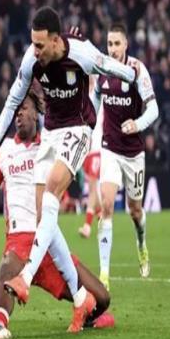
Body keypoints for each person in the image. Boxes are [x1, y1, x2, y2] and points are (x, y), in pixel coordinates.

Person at [0, 6, 138, 332]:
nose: (34, 50)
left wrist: (134, 75)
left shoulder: (81, 54)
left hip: (78, 130)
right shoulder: (31, 60)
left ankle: (25, 277)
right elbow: (12, 100)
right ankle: (80, 300)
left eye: (39, 45)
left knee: (52, 189)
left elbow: (112, 67)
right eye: (32, 44)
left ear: (55, 40)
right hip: (51, 132)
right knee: (44, 221)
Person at [0, 90, 114, 339]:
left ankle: (88, 317)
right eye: (16, 110)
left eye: (24, 109)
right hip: (19, 243)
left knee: (103, 299)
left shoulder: (50, 148)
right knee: (7, 265)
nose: (19, 114)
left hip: (50, 245)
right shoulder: (6, 150)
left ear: (37, 113)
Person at [91, 22, 159, 290]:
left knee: (135, 210)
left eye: (117, 43)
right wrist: (88, 123)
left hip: (133, 153)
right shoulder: (102, 69)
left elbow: (153, 110)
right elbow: (96, 100)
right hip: (110, 148)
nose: (113, 49)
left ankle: (141, 244)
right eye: (109, 44)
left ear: (126, 45)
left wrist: (137, 124)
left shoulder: (137, 70)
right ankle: (104, 275)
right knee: (107, 205)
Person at [78, 78, 103, 238]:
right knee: (93, 186)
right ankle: (102, 218)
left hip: (97, 147)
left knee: (93, 185)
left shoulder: (99, 96)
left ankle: (87, 226)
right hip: (86, 149)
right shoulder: (81, 97)